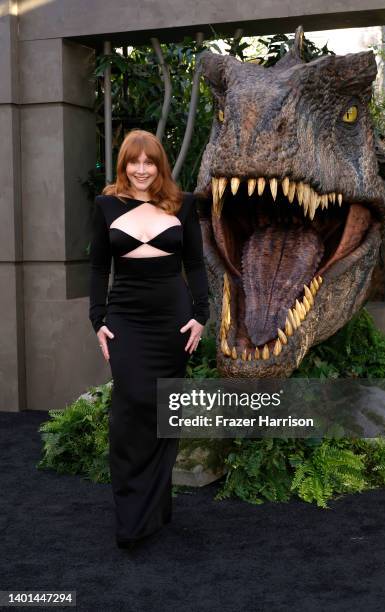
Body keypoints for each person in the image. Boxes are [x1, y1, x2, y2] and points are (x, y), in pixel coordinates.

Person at [88, 129, 210, 550]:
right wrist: (97, 319)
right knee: (130, 411)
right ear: (124, 165)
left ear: (160, 166)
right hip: (126, 320)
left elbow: (195, 265)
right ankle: (131, 512)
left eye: (149, 162)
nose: (141, 170)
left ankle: (155, 508)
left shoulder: (183, 204)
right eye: (133, 162)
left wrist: (201, 316)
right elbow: (98, 268)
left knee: (162, 411)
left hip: (171, 322)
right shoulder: (105, 206)